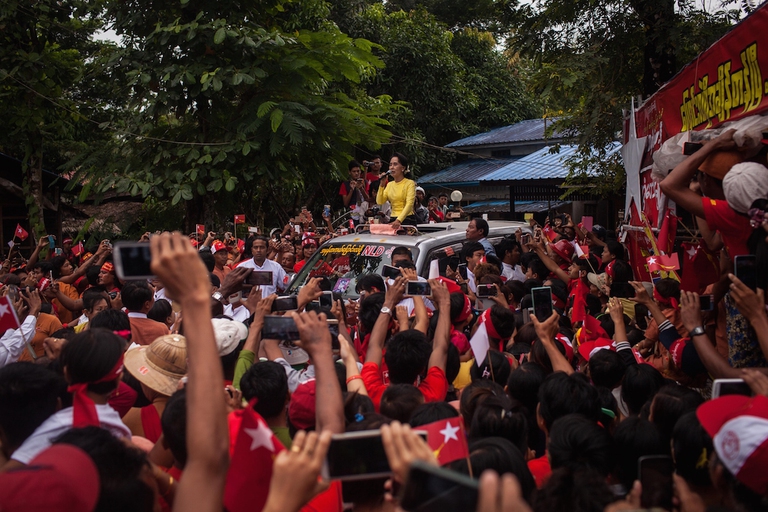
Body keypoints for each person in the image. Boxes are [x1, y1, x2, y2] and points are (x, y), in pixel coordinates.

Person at [376, 152, 417, 230]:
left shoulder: (410, 183)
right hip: (393, 218)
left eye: (395, 164)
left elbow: (409, 204)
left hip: (407, 218)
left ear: (403, 168)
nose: (392, 167)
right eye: (390, 164)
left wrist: (399, 220)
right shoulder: (389, 185)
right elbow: (379, 201)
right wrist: (382, 185)